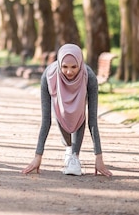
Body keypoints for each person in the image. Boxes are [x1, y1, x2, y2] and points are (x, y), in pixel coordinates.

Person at [22, 44, 112, 177]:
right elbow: (46, 121)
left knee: (78, 112)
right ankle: (69, 148)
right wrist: (38, 156)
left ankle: (74, 156)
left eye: (74, 67)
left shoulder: (89, 76)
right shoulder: (49, 76)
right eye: (64, 67)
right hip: (60, 109)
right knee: (62, 111)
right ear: (59, 64)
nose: (69, 72)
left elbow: (92, 121)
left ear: (80, 64)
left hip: (79, 113)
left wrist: (99, 158)